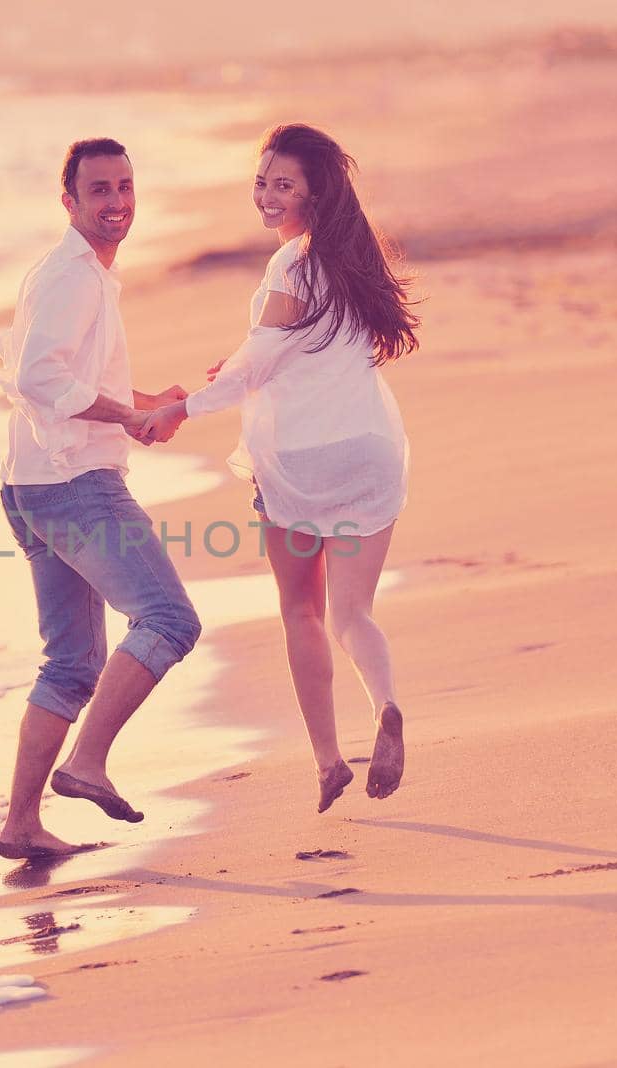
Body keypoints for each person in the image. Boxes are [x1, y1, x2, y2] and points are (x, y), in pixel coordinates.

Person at [140, 123, 418, 813]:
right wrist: (240, 363)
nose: (266, 195)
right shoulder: (353, 260)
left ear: (313, 192)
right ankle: (385, 705)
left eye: (282, 184)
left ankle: (328, 762)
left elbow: (260, 364)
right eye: (261, 181)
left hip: (299, 462)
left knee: (301, 608)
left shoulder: (290, 266)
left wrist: (184, 409)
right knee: (354, 613)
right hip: (368, 451)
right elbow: (286, 351)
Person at [0, 138, 202, 860]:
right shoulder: (72, 277)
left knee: (72, 664)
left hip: (34, 484)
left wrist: (144, 407)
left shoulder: (71, 274)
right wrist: (126, 419)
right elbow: (36, 377)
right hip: (75, 487)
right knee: (169, 619)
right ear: (70, 203)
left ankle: (20, 826)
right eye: (100, 191)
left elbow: (53, 379)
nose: (117, 203)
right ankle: (85, 765)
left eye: (125, 188)